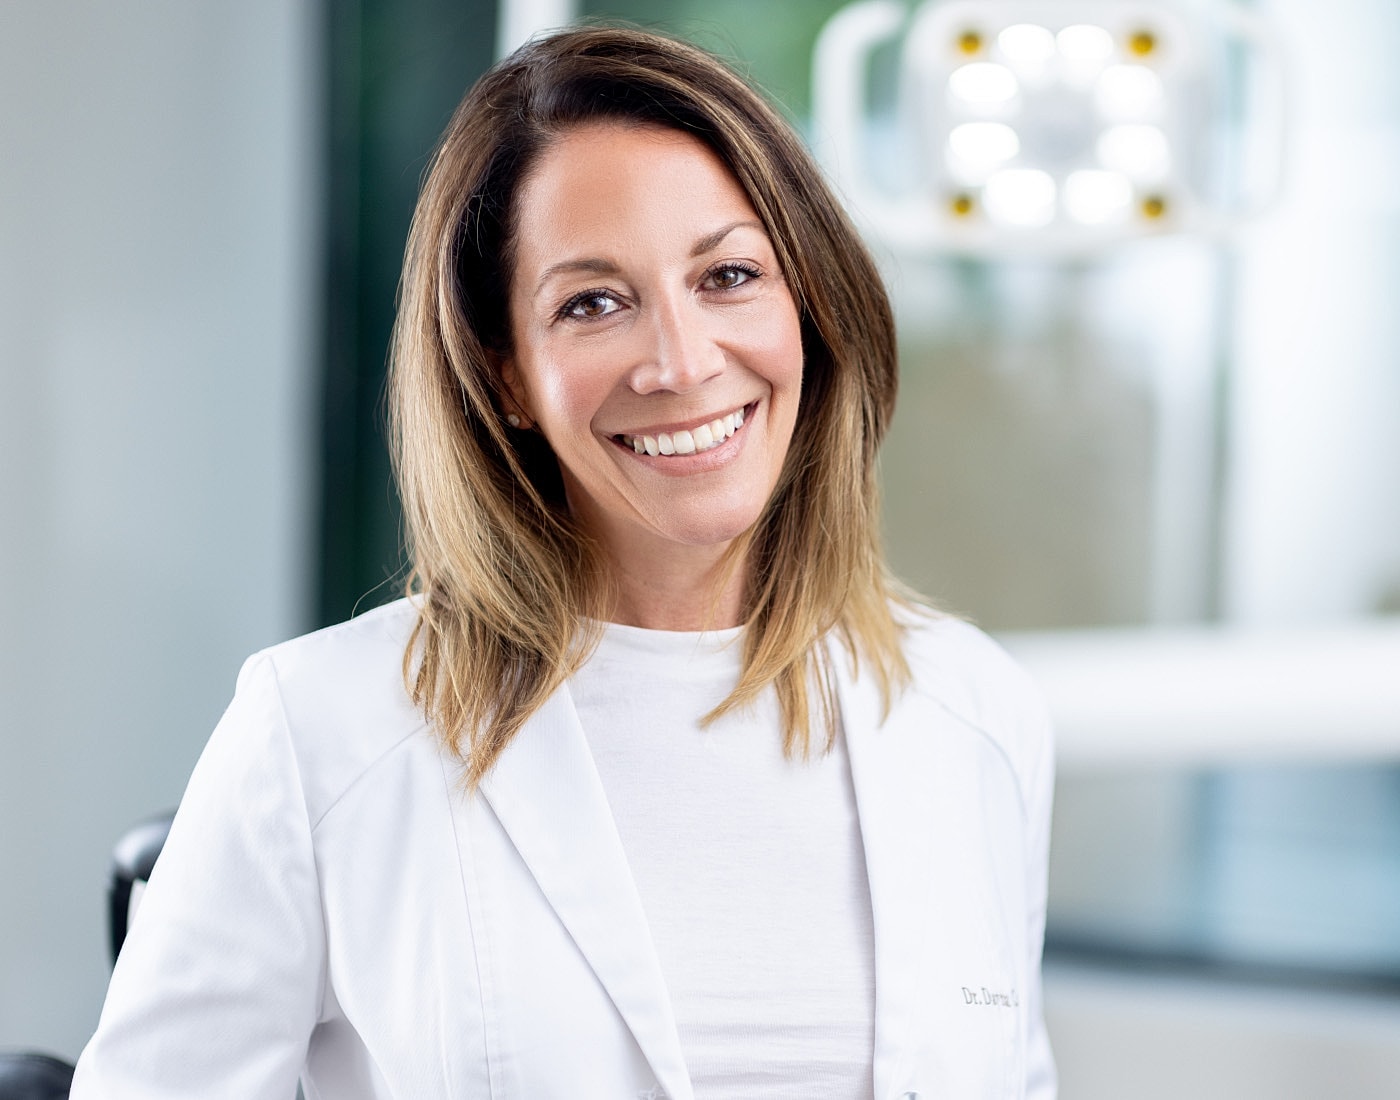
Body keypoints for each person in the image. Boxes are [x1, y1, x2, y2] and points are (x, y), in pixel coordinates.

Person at [71, 25, 1055, 1100]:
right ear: (503, 374)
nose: (681, 362)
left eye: (728, 275)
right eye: (592, 303)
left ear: (809, 307)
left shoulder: (973, 713)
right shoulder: (318, 732)